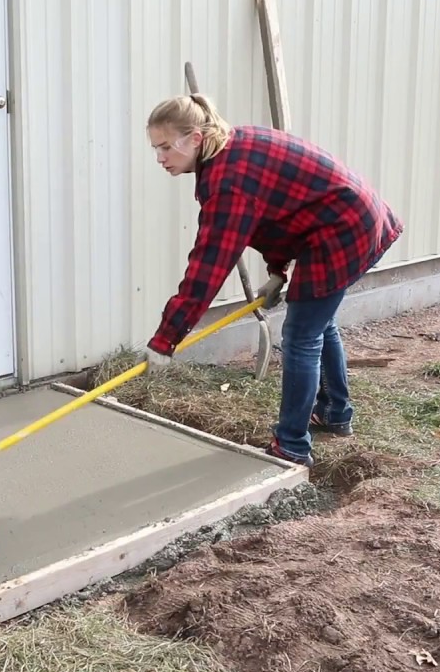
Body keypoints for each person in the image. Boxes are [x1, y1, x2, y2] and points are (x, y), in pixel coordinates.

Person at [140, 93, 403, 467]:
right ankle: (335, 412)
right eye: (156, 148)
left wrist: (166, 338)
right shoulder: (231, 149)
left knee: (301, 336)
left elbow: (207, 268)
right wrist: (278, 272)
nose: (160, 157)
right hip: (343, 220)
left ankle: (292, 446)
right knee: (318, 322)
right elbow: (279, 213)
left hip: (344, 230)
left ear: (195, 138)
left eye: (166, 147)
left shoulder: (228, 182)